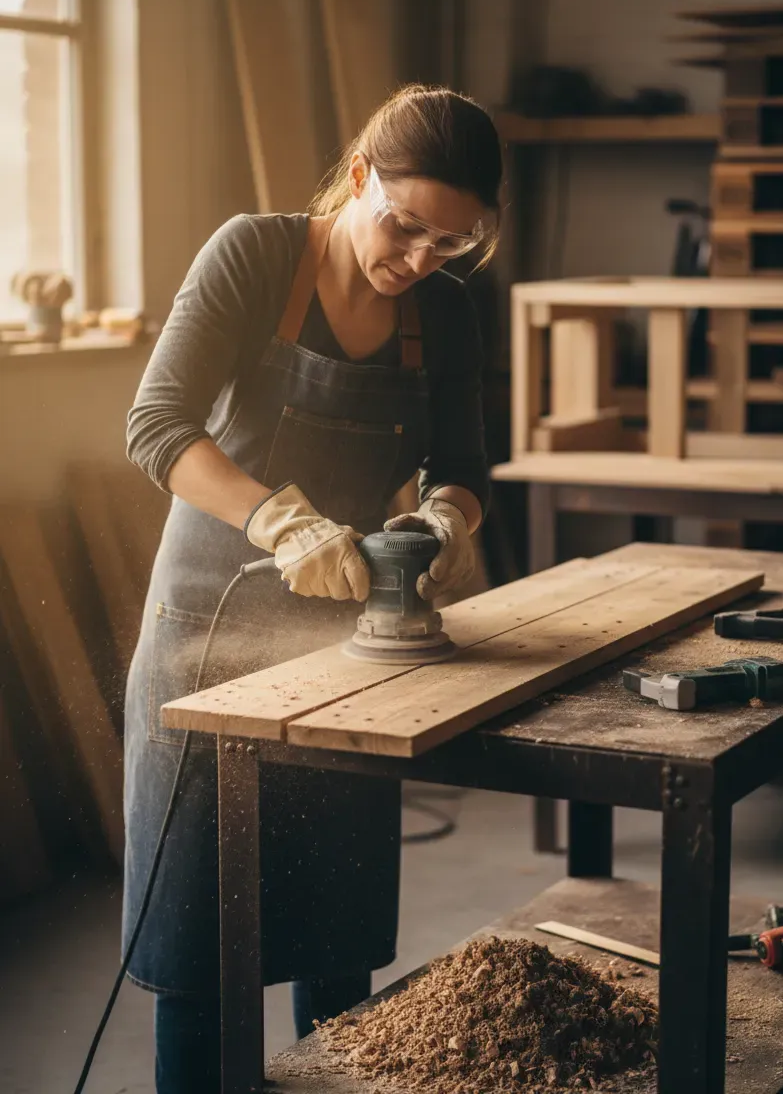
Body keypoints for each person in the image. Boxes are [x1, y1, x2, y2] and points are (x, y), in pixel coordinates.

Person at [123, 83, 502, 1093]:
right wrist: (277, 518)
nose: (419, 260)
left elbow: (465, 461)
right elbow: (156, 427)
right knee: (204, 954)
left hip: (346, 649)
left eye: (449, 246)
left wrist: (443, 517)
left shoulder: (448, 310)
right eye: (406, 226)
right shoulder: (256, 253)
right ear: (361, 174)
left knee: (337, 947)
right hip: (209, 633)